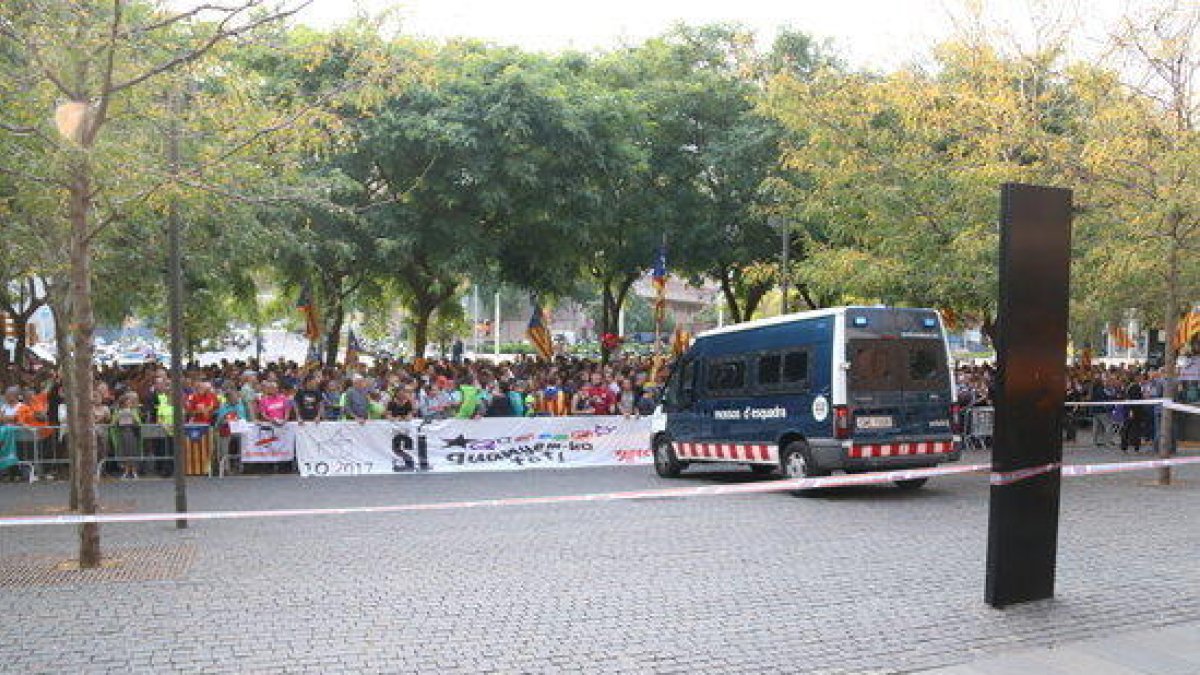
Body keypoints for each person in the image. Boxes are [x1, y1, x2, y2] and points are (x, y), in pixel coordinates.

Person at [112, 392, 143, 479]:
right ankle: (126, 470)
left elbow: (139, 422)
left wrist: (133, 416)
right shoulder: (117, 411)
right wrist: (118, 416)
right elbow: (113, 423)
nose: (129, 404)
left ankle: (134, 471)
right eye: (127, 402)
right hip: (122, 432)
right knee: (124, 451)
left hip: (132, 432)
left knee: (133, 451)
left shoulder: (134, 411)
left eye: (130, 402)